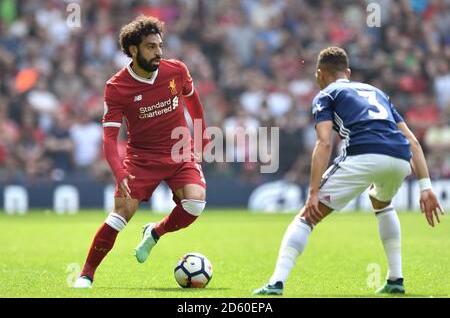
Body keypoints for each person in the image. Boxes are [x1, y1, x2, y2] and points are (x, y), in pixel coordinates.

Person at [253, 46, 444, 296]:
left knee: (307, 217)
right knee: (381, 200)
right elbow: (413, 141)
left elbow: (323, 143)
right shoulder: (378, 93)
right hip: (399, 157)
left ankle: (275, 283)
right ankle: (396, 279)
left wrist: (313, 192)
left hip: (363, 153)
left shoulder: (326, 94)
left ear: (320, 73)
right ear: (348, 72)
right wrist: (425, 186)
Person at [74, 15, 208, 288]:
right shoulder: (116, 87)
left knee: (195, 203)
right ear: (133, 50)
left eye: (160, 46)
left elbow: (193, 102)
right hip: (141, 159)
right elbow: (110, 138)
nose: (159, 52)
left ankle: (155, 232)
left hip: (179, 152)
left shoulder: (177, 70)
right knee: (119, 216)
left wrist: (201, 138)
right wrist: (119, 171)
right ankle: (86, 274)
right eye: (151, 47)